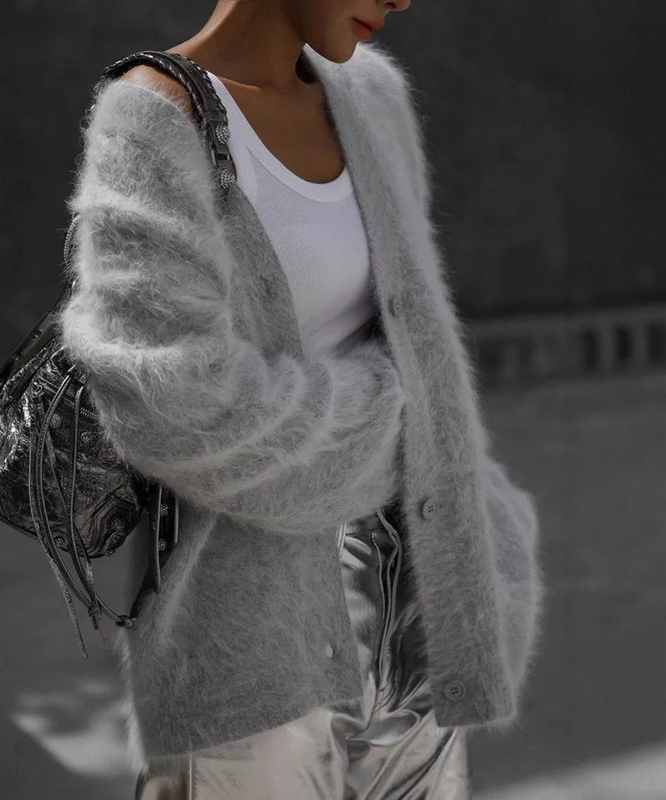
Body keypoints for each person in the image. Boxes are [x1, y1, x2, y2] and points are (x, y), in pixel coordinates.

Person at [59, 0, 546, 797]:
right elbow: (174, 403)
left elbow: (417, 332)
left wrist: (490, 525)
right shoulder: (153, 117)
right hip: (248, 644)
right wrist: (403, 416)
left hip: (418, 608)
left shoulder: (372, 97)